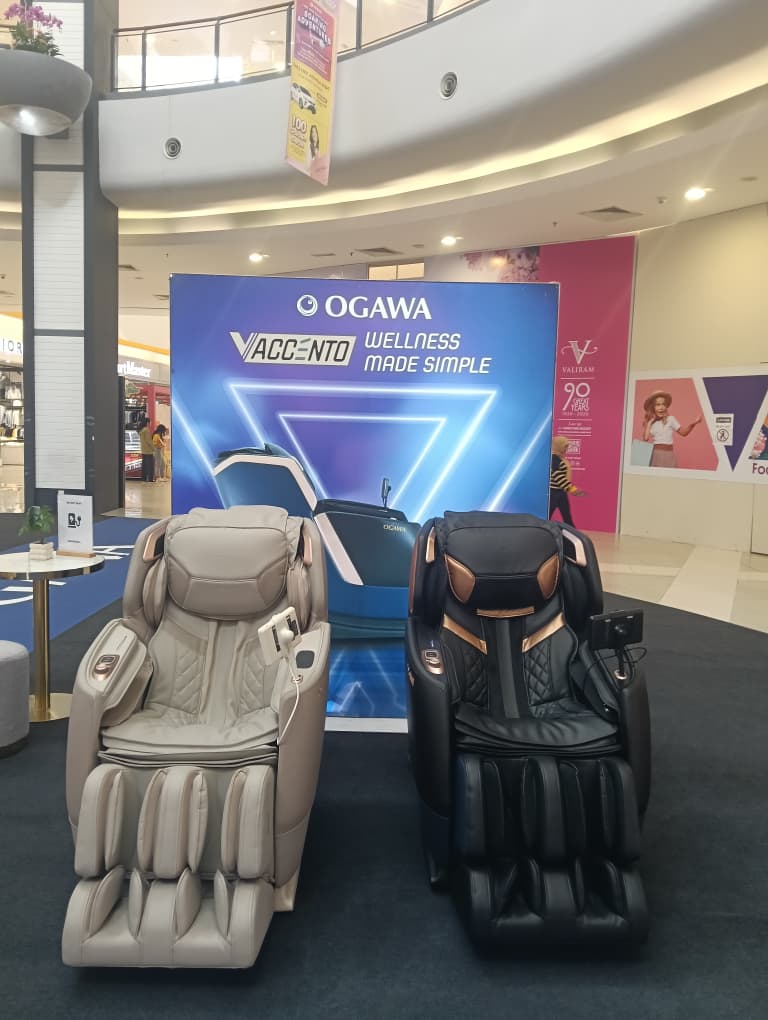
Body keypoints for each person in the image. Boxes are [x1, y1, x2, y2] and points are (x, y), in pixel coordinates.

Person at [642, 390, 701, 468]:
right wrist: (650, 422)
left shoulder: (671, 419)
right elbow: (646, 438)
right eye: (658, 405)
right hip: (656, 455)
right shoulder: (651, 423)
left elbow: (684, 433)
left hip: (669, 454)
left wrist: (693, 424)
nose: (661, 407)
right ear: (653, 407)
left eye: (663, 404)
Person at [549, 435, 583, 526]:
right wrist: (572, 489)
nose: (566, 449)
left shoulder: (559, 458)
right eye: (565, 447)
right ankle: (541, 532)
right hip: (554, 493)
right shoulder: (554, 459)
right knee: (548, 516)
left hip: (561, 492)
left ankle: (573, 533)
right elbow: (558, 476)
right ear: (559, 446)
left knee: (567, 516)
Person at [138, 417, 155, 483]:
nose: (150, 423)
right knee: (150, 466)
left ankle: (144, 478)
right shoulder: (146, 430)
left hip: (143, 450)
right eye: (150, 422)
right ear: (147, 423)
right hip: (148, 451)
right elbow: (149, 441)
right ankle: (150, 479)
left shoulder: (141, 430)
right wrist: (153, 448)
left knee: (144, 465)